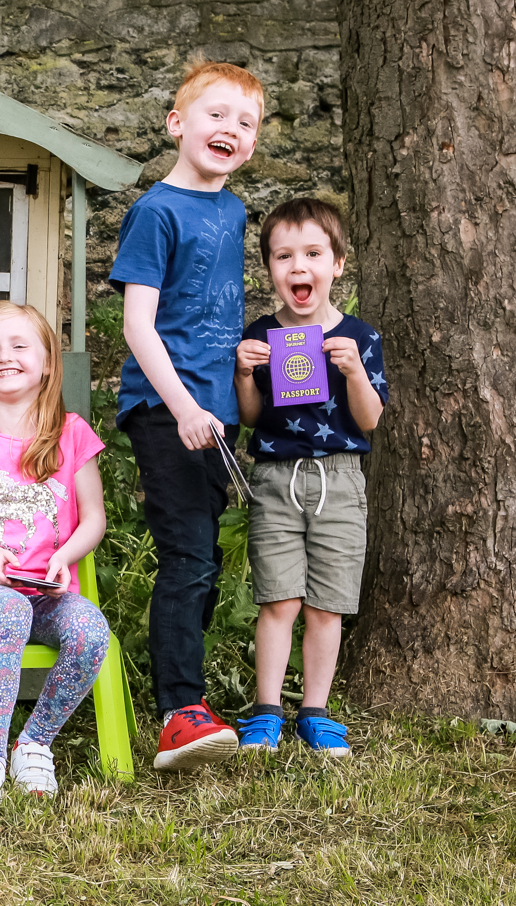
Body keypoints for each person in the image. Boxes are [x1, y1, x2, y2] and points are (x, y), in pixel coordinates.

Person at [109, 59, 264, 771]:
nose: (230, 129)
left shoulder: (231, 209)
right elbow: (138, 325)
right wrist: (183, 407)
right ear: (178, 124)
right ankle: (180, 710)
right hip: (167, 411)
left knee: (206, 558)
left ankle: (187, 698)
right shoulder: (156, 210)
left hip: (215, 413)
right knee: (189, 557)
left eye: (246, 122)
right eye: (216, 114)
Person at [0, 302, 111, 801]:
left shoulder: (72, 434)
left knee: (92, 630)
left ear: (48, 362)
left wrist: (64, 557)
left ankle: (33, 743)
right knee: (9, 612)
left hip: (49, 592)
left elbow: (94, 517)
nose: (4, 356)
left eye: (18, 345)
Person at [233, 199, 387, 757]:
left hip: (341, 481)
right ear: (271, 269)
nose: (299, 267)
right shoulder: (262, 332)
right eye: (284, 256)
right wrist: (245, 373)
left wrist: (353, 372)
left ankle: (315, 712)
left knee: (328, 604)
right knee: (279, 599)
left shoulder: (360, 337)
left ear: (337, 264)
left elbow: (370, 419)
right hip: (276, 477)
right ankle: (266, 711)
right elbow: (250, 417)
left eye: (313, 253)